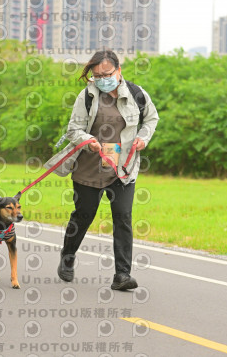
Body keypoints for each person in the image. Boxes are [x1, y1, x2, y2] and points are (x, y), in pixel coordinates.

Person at [45, 49, 159, 291]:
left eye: (107, 74)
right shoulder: (87, 96)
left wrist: (143, 137)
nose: (102, 79)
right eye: (97, 76)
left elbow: (151, 118)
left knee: (123, 217)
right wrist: (88, 140)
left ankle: (122, 275)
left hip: (123, 167)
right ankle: (68, 256)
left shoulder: (137, 94)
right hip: (90, 166)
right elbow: (73, 129)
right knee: (84, 215)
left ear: (119, 70)